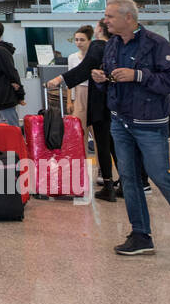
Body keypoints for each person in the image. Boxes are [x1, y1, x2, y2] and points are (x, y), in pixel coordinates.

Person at [93, 0, 170, 255]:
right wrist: (102, 79)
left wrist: (137, 75)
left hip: (149, 122)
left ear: (128, 18)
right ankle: (141, 234)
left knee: (159, 174)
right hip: (120, 120)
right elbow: (111, 77)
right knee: (129, 179)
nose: (105, 21)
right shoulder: (112, 45)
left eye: (110, 16)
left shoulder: (155, 43)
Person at [50, 20, 120, 202]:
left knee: (103, 142)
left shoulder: (98, 45)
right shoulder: (117, 45)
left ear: (100, 30)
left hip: (98, 99)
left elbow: (84, 69)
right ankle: (127, 182)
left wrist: (59, 79)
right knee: (114, 143)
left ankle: (108, 184)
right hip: (115, 100)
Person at [0, 21, 24, 129]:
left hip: (6, 96)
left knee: (13, 128)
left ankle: (18, 145)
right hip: (3, 96)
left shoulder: (0, 51)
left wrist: (20, 93)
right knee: (8, 128)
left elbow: (11, 72)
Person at [65, 25, 92, 119]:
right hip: (78, 93)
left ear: (89, 41)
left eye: (82, 40)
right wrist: (69, 101)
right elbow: (69, 80)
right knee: (79, 125)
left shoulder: (95, 57)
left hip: (93, 92)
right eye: (76, 40)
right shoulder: (72, 57)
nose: (79, 42)